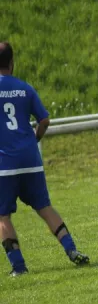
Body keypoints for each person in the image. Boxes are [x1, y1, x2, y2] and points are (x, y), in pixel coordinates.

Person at [0, 42, 89, 277]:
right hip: (30, 160)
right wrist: (34, 140)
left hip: (4, 165)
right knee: (44, 207)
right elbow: (44, 121)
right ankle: (71, 249)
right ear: (12, 62)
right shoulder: (25, 88)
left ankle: (19, 267)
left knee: (2, 216)